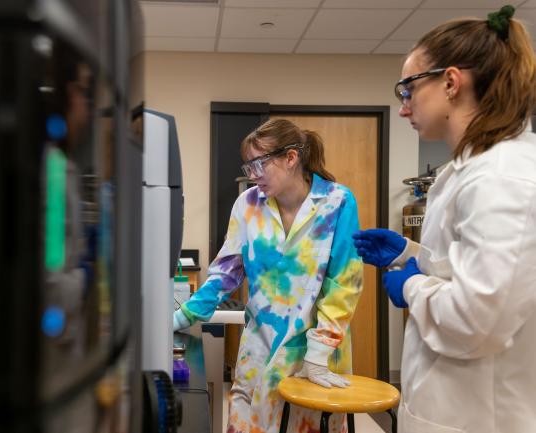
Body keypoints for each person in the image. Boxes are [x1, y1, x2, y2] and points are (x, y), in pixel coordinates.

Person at [353, 5, 536, 433]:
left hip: (480, 417)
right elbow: (469, 270)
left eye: (407, 89)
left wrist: (412, 284)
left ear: (451, 82)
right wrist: (410, 254)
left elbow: (479, 321)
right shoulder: (467, 171)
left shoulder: (503, 176)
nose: (402, 108)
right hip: (448, 406)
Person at [174, 118, 363, 433]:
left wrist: (319, 352)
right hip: (259, 353)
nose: (252, 177)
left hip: (313, 357)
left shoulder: (338, 203)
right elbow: (226, 272)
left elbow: (344, 283)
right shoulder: (247, 205)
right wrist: (182, 317)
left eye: (259, 164)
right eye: (248, 167)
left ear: (291, 158)